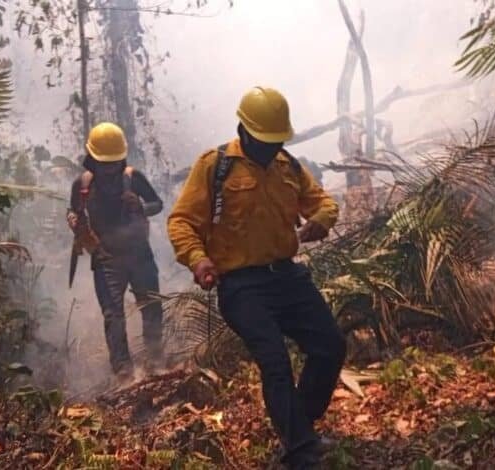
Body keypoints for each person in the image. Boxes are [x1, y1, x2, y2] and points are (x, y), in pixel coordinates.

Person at [167, 86, 346, 469]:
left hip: (287, 278)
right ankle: (301, 451)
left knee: (330, 346)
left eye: (275, 141)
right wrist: (198, 260)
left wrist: (320, 221)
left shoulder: (288, 166)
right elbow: (182, 221)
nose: (269, 149)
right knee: (275, 362)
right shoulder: (215, 167)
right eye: (264, 141)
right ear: (244, 130)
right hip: (241, 285)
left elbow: (324, 202)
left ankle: (299, 424)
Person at [67, 122, 165, 380]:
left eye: (114, 162)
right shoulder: (83, 184)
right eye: (104, 163)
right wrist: (73, 220)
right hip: (106, 258)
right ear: (93, 160)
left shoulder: (132, 178)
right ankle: (124, 372)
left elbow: (157, 203)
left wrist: (141, 207)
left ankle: (156, 361)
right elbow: (73, 209)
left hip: (139, 254)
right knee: (113, 315)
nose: (110, 169)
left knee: (151, 307)